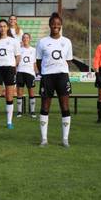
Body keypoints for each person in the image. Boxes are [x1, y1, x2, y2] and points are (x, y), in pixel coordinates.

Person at [36, 13, 73, 147]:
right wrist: (45, 72)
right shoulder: (42, 42)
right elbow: (39, 61)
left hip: (62, 76)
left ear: (61, 25)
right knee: (45, 106)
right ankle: (44, 139)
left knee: (65, 106)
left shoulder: (67, 42)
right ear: (50, 25)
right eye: (53, 24)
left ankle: (65, 139)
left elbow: (68, 60)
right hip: (47, 77)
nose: (55, 26)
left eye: (58, 24)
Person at [0, 19, 21, 129]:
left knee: (9, 97)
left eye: (4, 26)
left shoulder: (13, 41)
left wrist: (13, 65)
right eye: (0, 26)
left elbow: (18, 56)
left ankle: (9, 122)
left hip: (10, 70)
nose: (2, 28)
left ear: (7, 28)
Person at [16, 33, 37, 119]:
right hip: (20, 72)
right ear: (22, 39)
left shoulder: (34, 50)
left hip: (30, 73)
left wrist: (37, 72)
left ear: (30, 39)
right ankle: (19, 111)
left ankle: (32, 111)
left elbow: (34, 63)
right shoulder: (19, 50)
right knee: (19, 93)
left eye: (27, 37)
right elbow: (16, 62)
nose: (25, 39)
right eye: (24, 38)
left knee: (31, 92)